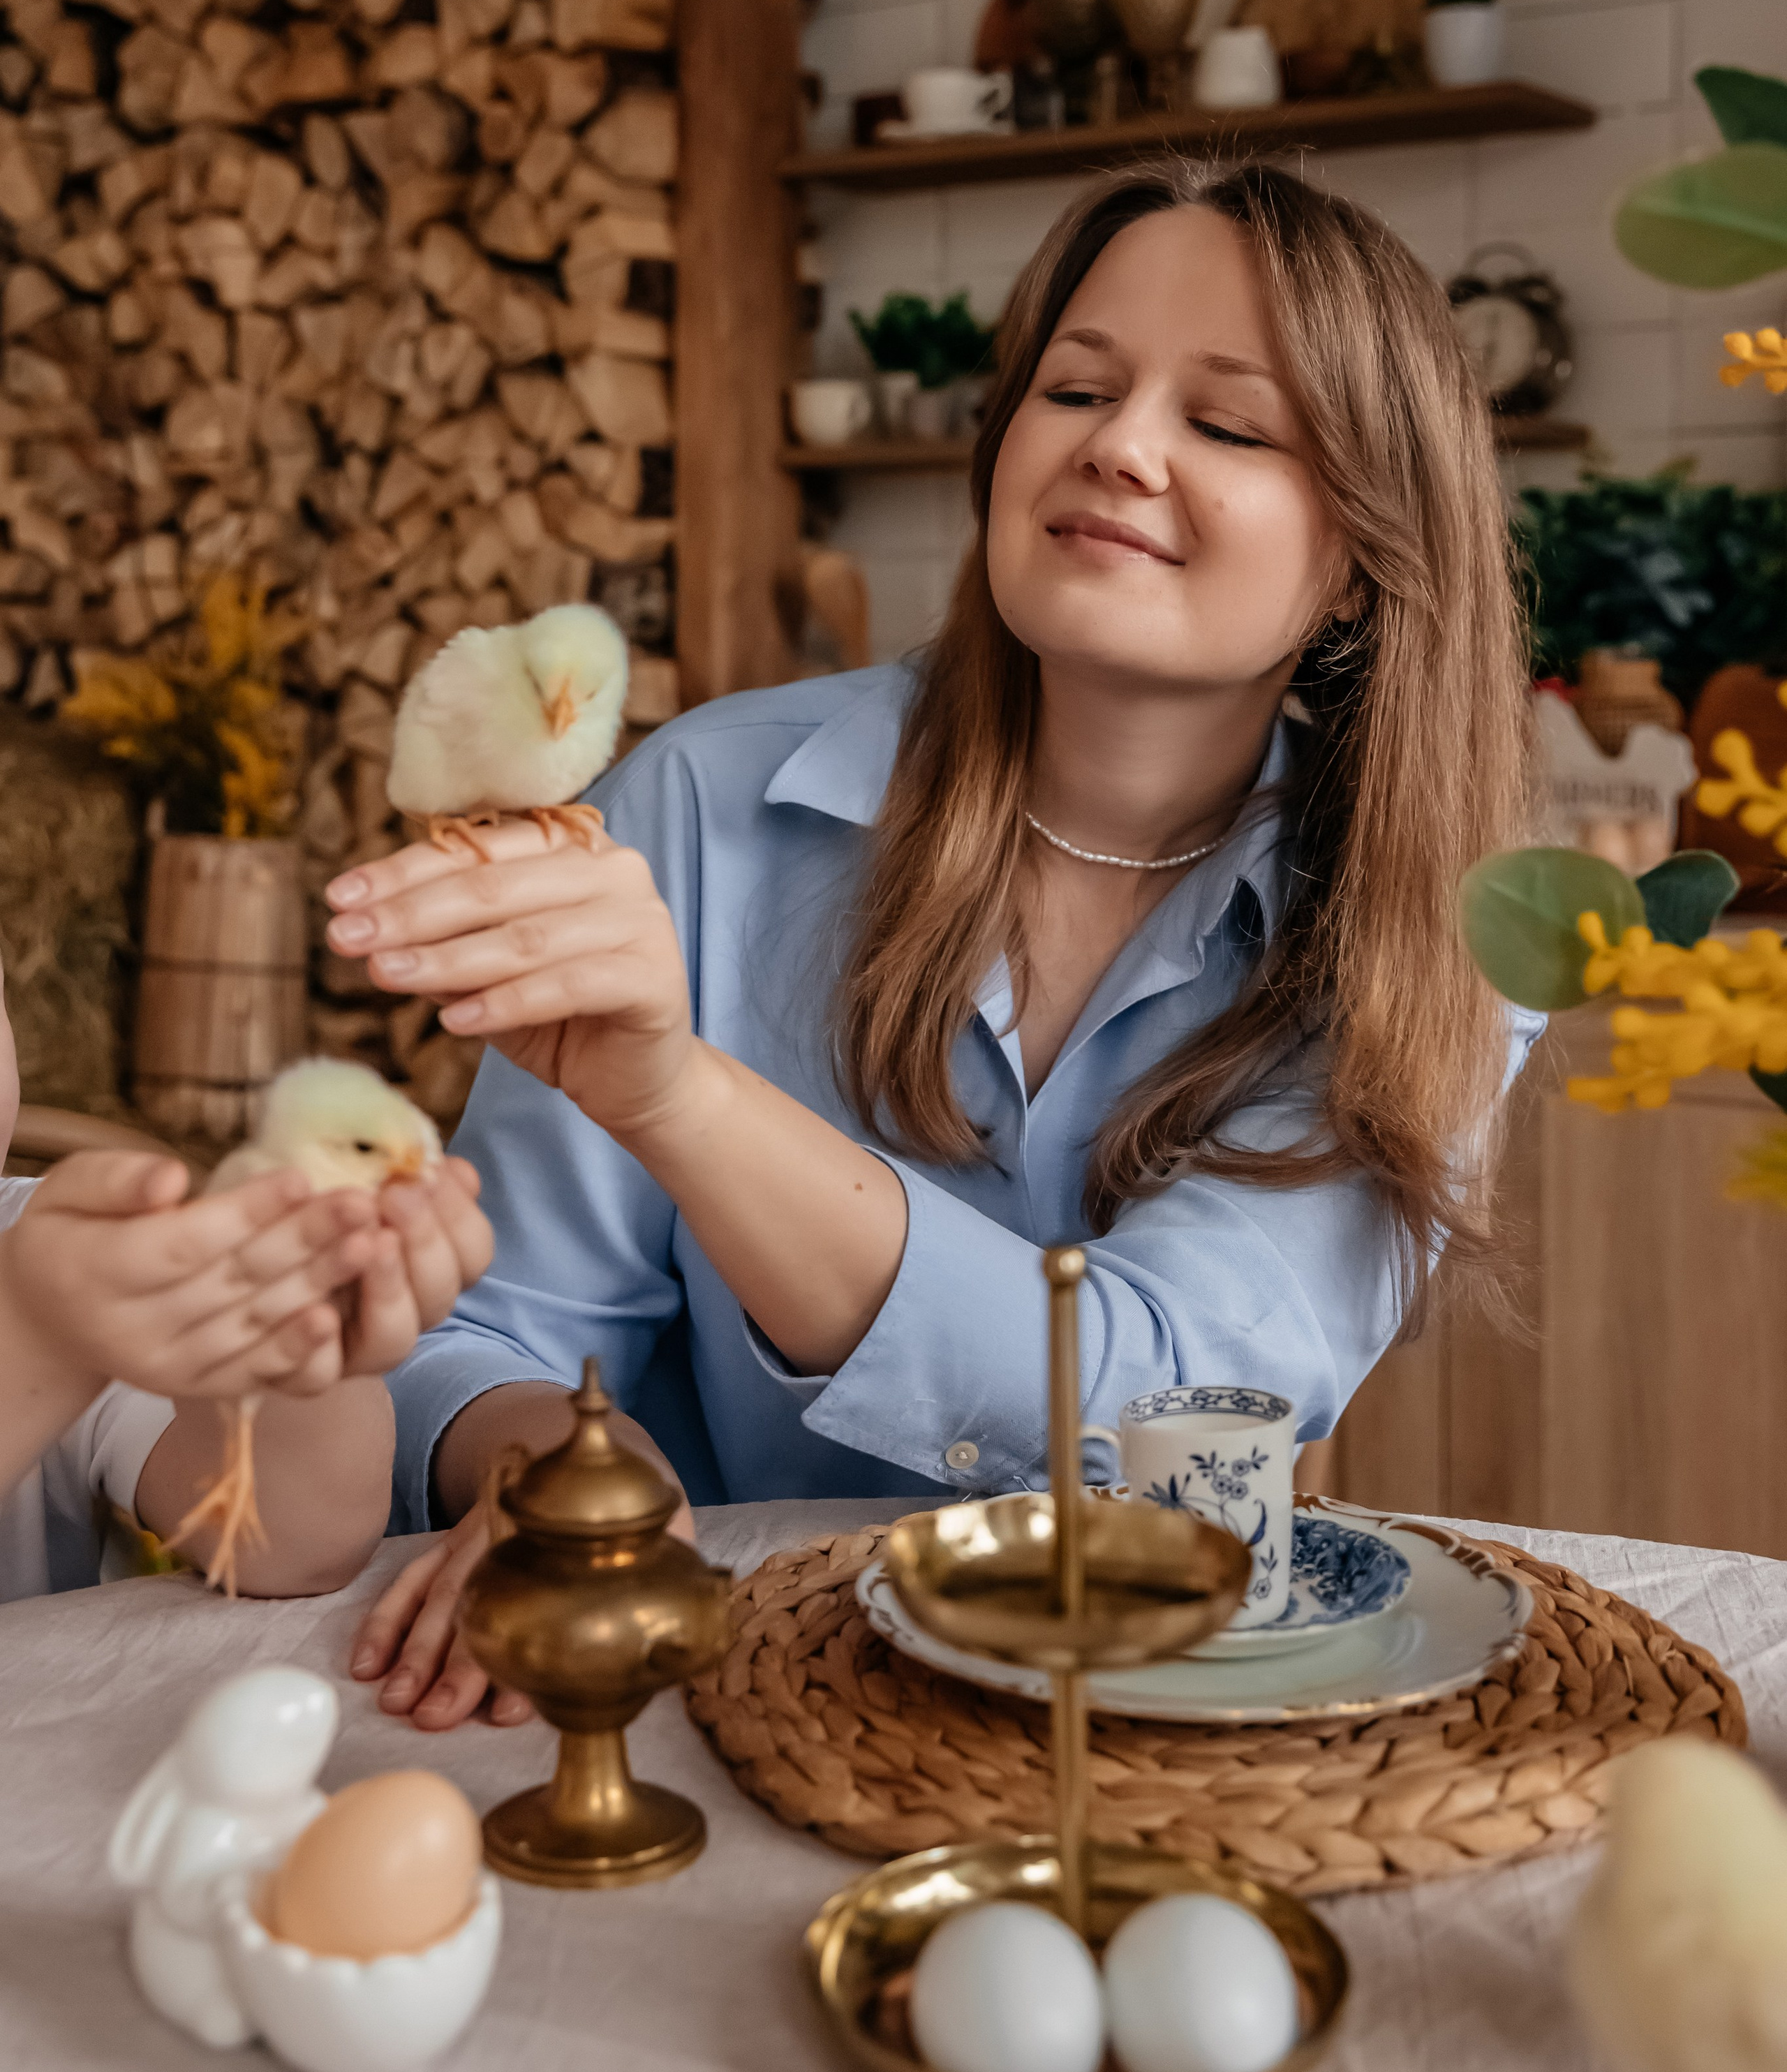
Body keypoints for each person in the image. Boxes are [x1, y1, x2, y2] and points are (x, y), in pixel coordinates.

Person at [331, 155, 1537, 1731]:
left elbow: (1156, 1408)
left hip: (1145, 1731)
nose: (1116, 446)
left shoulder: (1436, 938)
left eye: (1226, 425)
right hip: (703, 1698)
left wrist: (678, 1095)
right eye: (1074, 387)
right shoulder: (701, 802)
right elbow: (488, 1332)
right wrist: (558, 1468)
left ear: (1360, 557)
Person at [0, 961, 494, 1601]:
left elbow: (292, 1546)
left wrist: (289, 1342)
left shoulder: (49, 1243)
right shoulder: (41, 1288)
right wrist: (39, 1347)